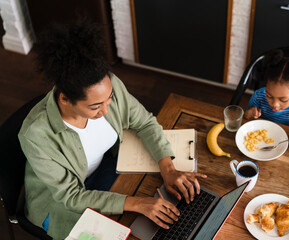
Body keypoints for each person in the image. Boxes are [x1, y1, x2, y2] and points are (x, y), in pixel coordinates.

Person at [18, 20, 206, 240]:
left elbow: (143, 122)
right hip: (61, 204)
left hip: (106, 169)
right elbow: (70, 196)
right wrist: (137, 203)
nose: (106, 111)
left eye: (110, 99)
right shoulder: (35, 136)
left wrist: (168, 168)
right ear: (65, 99)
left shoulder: (109, 86)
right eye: (96, 106)